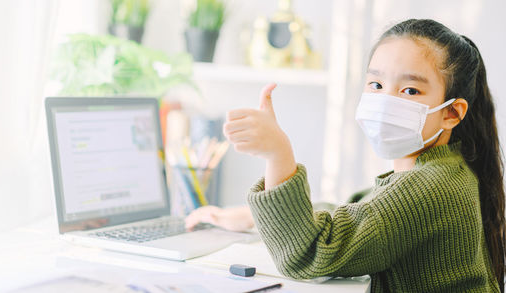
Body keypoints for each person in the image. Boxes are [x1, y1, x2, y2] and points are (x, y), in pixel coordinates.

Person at [185, 19, 505, 292]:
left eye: (410, 91)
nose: (385, 101)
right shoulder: (442, 170)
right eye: (376, 84)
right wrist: (256, 215)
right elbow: (360, 212)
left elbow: (312, 253)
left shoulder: (430, 185)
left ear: (451, 113)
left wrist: (277, 153)